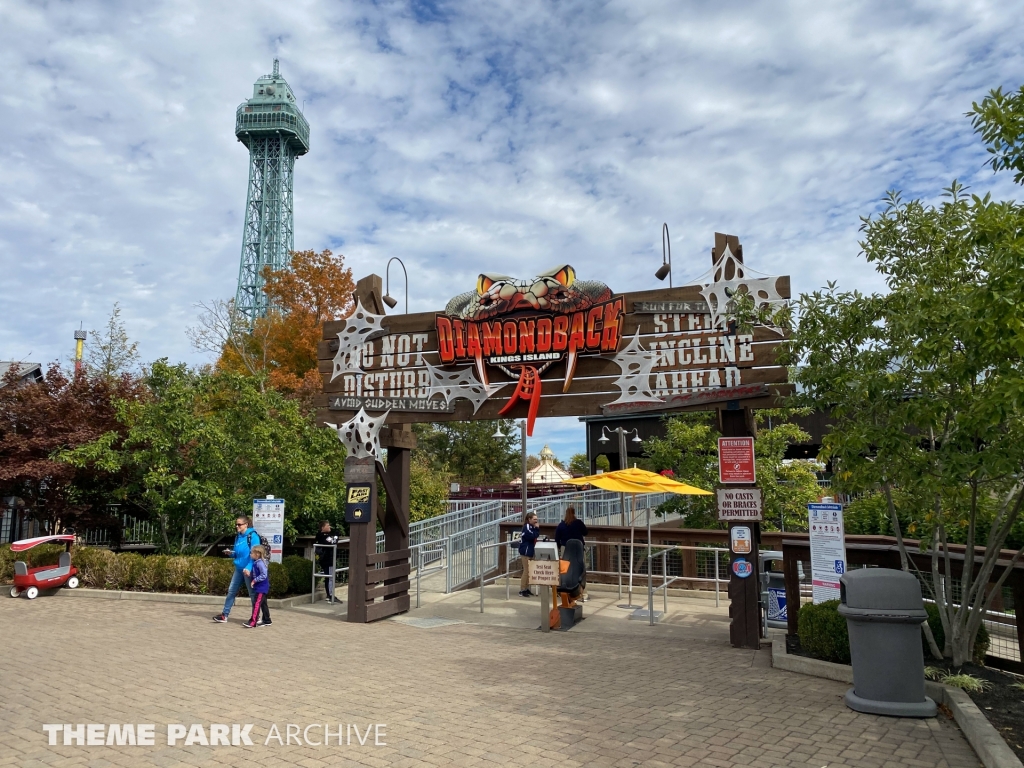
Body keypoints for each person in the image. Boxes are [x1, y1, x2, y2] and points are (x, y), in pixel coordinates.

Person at [212, 515, 260, 623]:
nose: (237, 526)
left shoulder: (253, 536)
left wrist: (248, 567)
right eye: (236, 524)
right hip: (238, 569)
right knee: (231, 591)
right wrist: (230, 553)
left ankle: (256, 617)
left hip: (248, 570)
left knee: (252, 593)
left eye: (239, 524)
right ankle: (225, 615)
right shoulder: (238, 536)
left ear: (246, 524)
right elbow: (237, 553)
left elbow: (256, 554)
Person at [555, 507, 589, 601]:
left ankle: (564, 590)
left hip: (565, 549)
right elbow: (585, 532)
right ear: (574, 513)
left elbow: (557, 539)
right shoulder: (578, 523)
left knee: (565, 571)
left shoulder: (561, 525)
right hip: (578, 548)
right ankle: (582, 593)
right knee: (581, 570)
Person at [245, 546, 272, 628]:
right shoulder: (256, 562)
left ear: (257, 554)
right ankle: (267, 620)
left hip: (261, 587)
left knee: (257, 604)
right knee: (263, 604)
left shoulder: (260, 563)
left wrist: (254, 580)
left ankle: (253, 622)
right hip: (260, 587)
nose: (250, 554)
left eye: (252, 553)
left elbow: (264, 575)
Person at [314, 520, 340, 601]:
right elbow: (333, 542)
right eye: (327, 525)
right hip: (327, 559)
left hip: (327, 559)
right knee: (330, 577)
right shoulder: (323, 536)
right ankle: (330, 595)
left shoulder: (324, 536)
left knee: (329, 577)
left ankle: (329, 594)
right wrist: (336, 535)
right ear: (323, 527)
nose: (329, 526)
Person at [518, 512, 540, 598]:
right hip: (526, 552)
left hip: (530, 551)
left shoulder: (532, 527)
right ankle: (522, 589)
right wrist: (537, 529)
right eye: (534, 519)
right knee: (526, 571)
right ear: (529, 519)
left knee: (529, 571)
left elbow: (535, 535)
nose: (536, 521)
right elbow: (532, 536)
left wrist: (536, 529)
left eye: (536, 519)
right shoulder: (527, 527)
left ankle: (526, 588)